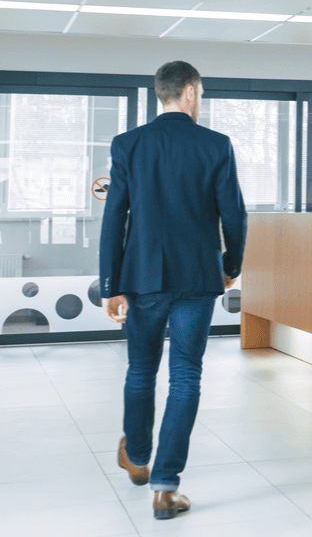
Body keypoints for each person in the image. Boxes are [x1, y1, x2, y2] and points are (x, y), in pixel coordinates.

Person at [99, 61, 247, 521]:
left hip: (142, 279)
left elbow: (115, 218)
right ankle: (166, 487)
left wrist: (111, 283)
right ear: (188, 92)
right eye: (198, 93)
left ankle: (138, 458)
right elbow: (235, 217)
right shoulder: (216, 145)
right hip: (198, 280)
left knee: (141, 371)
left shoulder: (129, 144)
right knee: (186, 376)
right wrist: (230, 267)